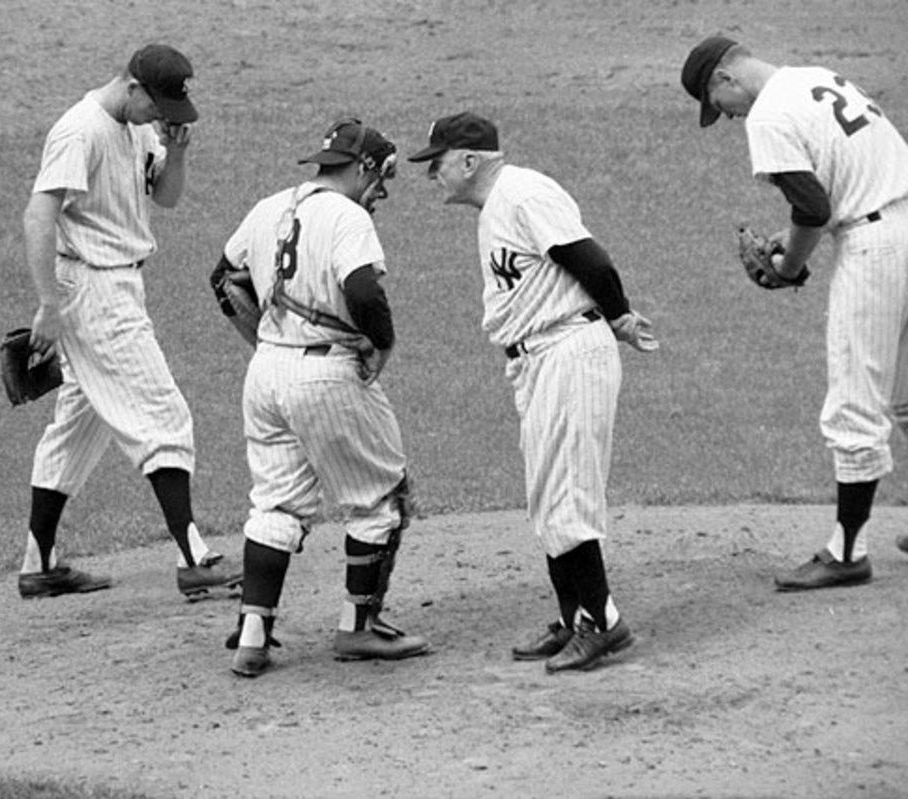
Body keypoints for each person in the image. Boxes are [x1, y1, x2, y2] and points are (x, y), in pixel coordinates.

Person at [407, 113, 658, 673]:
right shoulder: (498, 207)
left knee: (568, 495)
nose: (432, 176)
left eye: (437, 163)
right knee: (548, 498)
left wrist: (618, 318)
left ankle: (601, 623)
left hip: (568, 350)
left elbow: (587, 257)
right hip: (538, 359)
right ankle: (575, 619)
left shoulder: (524, 193)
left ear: (470, 161)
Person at [681, 36, 908, 590]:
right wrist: (799, 238)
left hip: (878, 251)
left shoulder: (768, 115)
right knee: (906, 395)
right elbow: (846, 183)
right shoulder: (818, 76)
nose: (730, 118)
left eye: (720, 108)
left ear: (725, 81)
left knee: (855, 402)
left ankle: (846, 552)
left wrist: (788, 267)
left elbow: (814, 206)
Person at [18, 43, 241, 600]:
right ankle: (194, 557)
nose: (161, 118)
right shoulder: (80, 131)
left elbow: (163, 199)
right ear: (132, 86)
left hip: (118, 282)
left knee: (79, 422)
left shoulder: (139, 127)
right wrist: (48, 304)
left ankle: (38, 563)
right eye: (157, 106)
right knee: (162, 414)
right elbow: (38, 215)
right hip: (92, 289)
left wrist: (177, 153)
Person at [211, 117, 430, 677]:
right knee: (382, 498)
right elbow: (361, 289)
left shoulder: (269, 208)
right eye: (381, 178)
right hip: (327, 374)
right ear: (360, 169)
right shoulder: (347, 216)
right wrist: (383, 343)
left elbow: (223, 279)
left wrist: (263, 339)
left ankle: (253, 635)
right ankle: (359, 629)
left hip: (266, 375)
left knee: (276, 502)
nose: (380, 192)